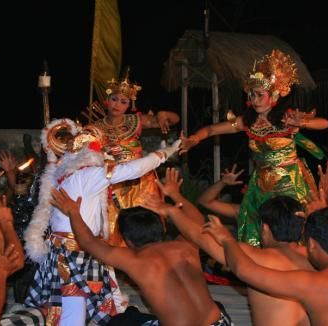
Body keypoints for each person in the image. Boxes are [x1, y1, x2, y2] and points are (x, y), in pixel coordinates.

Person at [23, 121, 181, 325]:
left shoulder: (65, 175)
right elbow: (134, 169)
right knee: (73, 312)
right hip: (74, 254)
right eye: (102, 149)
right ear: (92, 151)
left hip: (75, 249)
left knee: (106, 302)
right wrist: (166, 152)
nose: (106, 155)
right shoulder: (87, 175)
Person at [179, 49, 328, 247]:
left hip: (289, 181)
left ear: (274, 96)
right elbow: (211, 129)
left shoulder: (287, 118)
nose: (255, 100)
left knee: (295, 225)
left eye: (260, 95)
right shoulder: (247, 122)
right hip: (261, 185)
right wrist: (194, 139)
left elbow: (324, 123)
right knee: (258, 227)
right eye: (252, 95)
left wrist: (302, 123)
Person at [152, 167, 313, 326]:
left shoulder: (256, 257)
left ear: (265, 228)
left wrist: (173, 205)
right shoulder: (314, 258)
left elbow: (199, 236)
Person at [49, 187, 232, 326]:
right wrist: (176, 194)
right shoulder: (186, 246)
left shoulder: (134, 260)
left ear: (127, 240)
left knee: (121, 321)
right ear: (163, 227)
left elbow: (89, 242)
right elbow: (197, 220)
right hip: (221, 323)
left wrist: (73, 211)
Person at [203, 206, 328, 326]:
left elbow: (244, 270)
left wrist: (227, 240)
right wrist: (324, 208)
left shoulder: (316, 284)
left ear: (311, 244)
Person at [92, 71, 180, 246]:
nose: (117, 105)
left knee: (145, 223)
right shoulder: (95, 127)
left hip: (140, 182)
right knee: (113, 225)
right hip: (113, 181)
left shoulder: (136, 120)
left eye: (123, 102)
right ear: (107, 100)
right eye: (115, 99)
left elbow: (175, 119)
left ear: (129, 104)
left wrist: (163, 115)